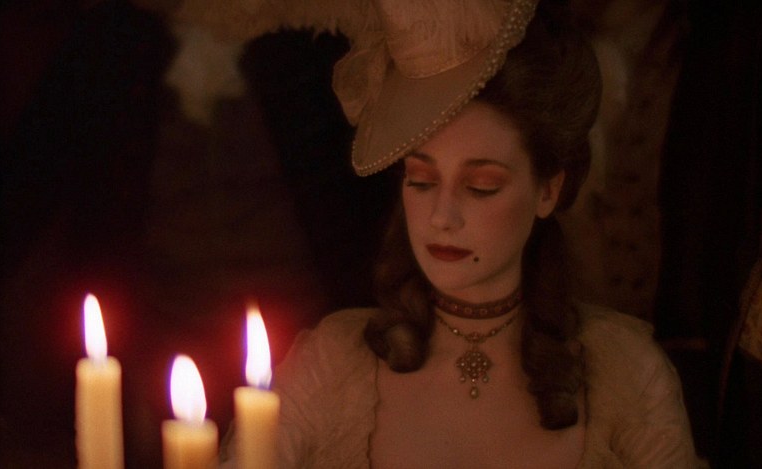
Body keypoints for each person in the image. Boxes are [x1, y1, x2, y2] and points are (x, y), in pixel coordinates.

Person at [161, 0, 699, 466]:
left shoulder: (626, 375)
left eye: (481, 186)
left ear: (548, 190)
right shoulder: (333, 366)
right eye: (421, 180)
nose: (442, 216)